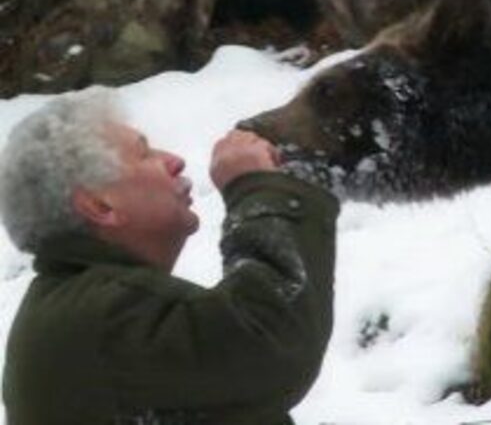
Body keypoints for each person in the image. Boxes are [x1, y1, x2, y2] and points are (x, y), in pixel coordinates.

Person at [0, 88, 339, 425]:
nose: (175, 161)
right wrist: (260, 190)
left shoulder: (85, 306)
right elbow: (269, 342)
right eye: (145, 154)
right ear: (101, 206)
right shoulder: (102, 321)